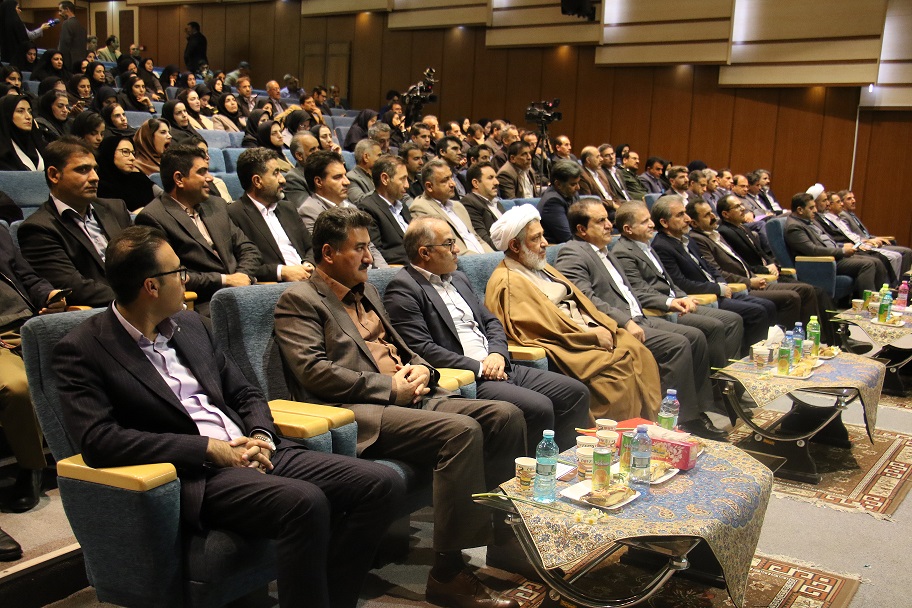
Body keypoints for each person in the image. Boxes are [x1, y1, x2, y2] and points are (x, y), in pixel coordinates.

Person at [54, 225, 402, 607]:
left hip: (255, 447)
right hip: (198, 472)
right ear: (151, 286)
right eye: (178, 272)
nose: (186, 280)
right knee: (305, 502)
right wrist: (208, 449)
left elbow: (246, 392)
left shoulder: (191, 325)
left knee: (381, 482)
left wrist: (261, 435)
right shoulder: (84, 349)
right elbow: (99, 440)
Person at [274, 206, 524, 608]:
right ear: (328, 253)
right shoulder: (299, 300)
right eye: (359, 249)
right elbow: (314, 372)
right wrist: (390, 387)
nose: (369, 257)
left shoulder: (368, 291)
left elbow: (406, 349)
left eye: (368, 247)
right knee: (461, 433)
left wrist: (424, 370)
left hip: (411, 396)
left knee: (504, 416)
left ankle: (505, 539)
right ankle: (447, 573)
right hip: (358, 410)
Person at [386, 216, 591, 452]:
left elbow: (491, 321)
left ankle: (563, 464)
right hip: (469, 376)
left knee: (576, 393)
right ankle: (531, 472)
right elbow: (421, 349)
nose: (457, 250)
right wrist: (481, 368)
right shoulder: (404, 289)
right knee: (539, 407)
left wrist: (497, 354)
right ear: (425, 253)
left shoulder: (458, 278)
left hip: (499, 365)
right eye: (449, 243)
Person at [554, 200, 727, 439]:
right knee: (677, 345)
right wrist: (625, 322)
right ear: (582, 229)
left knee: (695, 336)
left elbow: (628, 290)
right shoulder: (573, 252)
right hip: (619, 325)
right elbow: (586, 299)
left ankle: (697, 411)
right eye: (600, 221)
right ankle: (675, 421)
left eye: (607, 219)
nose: (609, 225)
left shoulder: (604, 251)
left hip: (640, 317)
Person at [484, 205, 661, 422]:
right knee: (617, 373)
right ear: (514, 245)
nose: (545, 243)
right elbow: (536, 329)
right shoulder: (509, 281)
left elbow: (578, 300)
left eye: (543, 235)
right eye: (536, 238)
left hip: (585, 328)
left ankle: (647, 428)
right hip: (570, 344)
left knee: (639, 351)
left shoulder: (539, 265)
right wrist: (590, 336)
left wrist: (597, 324)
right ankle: (615, 437)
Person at [611, 201, 746, 368]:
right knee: (714, 326)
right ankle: (717, 378)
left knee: (733, 319)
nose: (652, 224)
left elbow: (669, 282)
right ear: (628, 229)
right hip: (660, 310)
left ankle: (729, 372)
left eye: (650, 219)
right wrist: (672, 302)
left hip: (676, 303)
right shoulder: (622, 252)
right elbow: (639, 291)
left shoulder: (646, 245)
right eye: (645, 222)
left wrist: (684, 297)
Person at [135, 144, 260, 315]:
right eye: (202, 172)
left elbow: (248, 248)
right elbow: (173, 275)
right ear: (179, 179)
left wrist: (242, 276)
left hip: (245, 292)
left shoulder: (216, 205)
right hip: (202, 304)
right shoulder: (153, 217)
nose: (210, 178)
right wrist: (226, 280)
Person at [0, 222, 69, 530]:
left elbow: (26, 275)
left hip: (28, 324)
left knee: (98, 355)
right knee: (17, 386)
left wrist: (49, 295)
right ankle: (32, 467)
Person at [650, 195, 775, 352]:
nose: (687, 219)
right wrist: (718, 288)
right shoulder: (662, 246)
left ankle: (766, 352)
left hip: (718, 291)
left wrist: (721, 282)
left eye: (685, 213)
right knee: (756, 312)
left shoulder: (687, 239)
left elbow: (710, 267)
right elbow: (680, 283)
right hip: (704, 296)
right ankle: (750, 358)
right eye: (680, 215)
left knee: (768, 305)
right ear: (664, 222)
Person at [18, 137, 132, 307]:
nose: (95, 177)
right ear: (54, 175)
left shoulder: (116, 208)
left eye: (95, 169)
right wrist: (137, 298)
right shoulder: (37, 228)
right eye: (83, 169)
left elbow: (143, 259)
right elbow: (73, 287)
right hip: (103, 311)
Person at [228, 147, 314, 283]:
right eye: (276, 173)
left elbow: (311, 246)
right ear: (257, 181)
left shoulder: (287, 208)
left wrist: (308, 264)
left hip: (309, 278)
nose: (283, 180)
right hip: (276, 286)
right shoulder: (234, 213)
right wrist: (281, 272)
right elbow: (241, 265)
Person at [785, 192, 881, 298]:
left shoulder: (808, 220)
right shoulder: (794, 227)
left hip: (833, 254)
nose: (815, 210)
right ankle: (868, 303)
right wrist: (842, 251)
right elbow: (813, 250)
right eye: (811, 208)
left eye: (815, 207)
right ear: (800, 210)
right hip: (823, 262)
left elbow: (827, 239)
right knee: (867, 264)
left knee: (875, 260)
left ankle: (876, 299)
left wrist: (841, 246)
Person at [409, 159, 494, 255]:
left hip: (483, 258)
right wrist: (485, 260)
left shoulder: (458, 206)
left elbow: (477, 238)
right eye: (445, 180)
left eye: (451, 177)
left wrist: (496, 258)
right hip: (461, 260)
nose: (453, 183)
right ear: (429, 186)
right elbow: (445, 249)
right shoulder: (421, 208)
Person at [356, 154, 412, 264]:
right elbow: (375, 251)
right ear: (385, 179)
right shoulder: (368, 208)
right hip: (400, 268)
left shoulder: (402, 206)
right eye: (402, 179)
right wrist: (416, 258)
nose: (407, 185)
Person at [96, 135, 159, 211]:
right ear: (109, 153)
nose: (132, 158)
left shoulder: (140, 179)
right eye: (125, 152)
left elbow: (164, 198)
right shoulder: (98, 186)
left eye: (133, 153)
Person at [461, 161, 505, 250]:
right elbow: (483, 239)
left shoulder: (497, 202)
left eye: (496, 177)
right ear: (475, 183)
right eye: (490, 178)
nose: (497, 182)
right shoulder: (469, 203)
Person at [537, 159, 581, 244]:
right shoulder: (552, 202)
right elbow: (567, 237)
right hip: (556, 247)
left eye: (578, 183)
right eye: (573, 184)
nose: (578, 188)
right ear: (558, 184)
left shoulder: (572, 193)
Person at [0, 95, 46, 171]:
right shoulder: (3, 152)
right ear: (7, 115)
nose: (28, 117)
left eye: (30, 112)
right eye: (20, 111)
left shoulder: (38, 143)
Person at [283, 132, 319, 205]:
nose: (318, 152)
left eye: (318, 148)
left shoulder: (324, 170)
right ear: (299, 156)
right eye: (312, 150)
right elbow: (306, 208)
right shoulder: (293, 179)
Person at [345, 138, 380, 204]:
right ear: (366, 157)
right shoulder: (350, 178)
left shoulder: (379, 175)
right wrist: (383, 189)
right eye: (379, 155)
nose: (381, 159)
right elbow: (360, 201)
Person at [57, 1, 86, 69]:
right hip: (80, 63)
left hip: (69, 63)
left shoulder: (66, 24)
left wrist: (60, 60)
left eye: (61, 11)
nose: (59, 13)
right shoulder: (81, 25)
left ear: (67, 9)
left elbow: (63, 46)